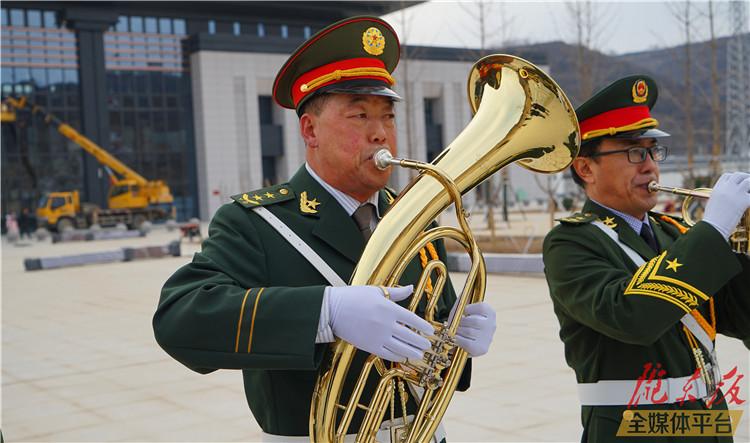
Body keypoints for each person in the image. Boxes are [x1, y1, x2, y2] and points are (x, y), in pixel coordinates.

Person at [153, 16, 496, 441]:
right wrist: (325, 312)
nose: (380, 134)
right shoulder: (257, 222)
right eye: (360, 115)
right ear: (310, 129)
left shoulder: (415, 218)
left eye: (388, 117)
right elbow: (179, 319)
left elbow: (433, 352)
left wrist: (458, 341)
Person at [543, 75, 750, 443]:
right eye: (633, 152)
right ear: (585, 168)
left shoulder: (676, 233)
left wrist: (743, 245)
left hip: (708, 420)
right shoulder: (570, 242)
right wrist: (714, 229)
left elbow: (742, 316)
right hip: (633, 428)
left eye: (653, 151)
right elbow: (631, 316)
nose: (650, 166)